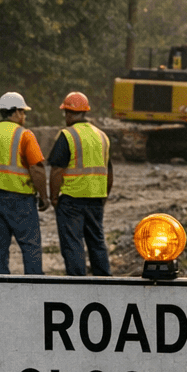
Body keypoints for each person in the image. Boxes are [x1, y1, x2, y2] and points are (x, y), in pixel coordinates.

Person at [0, 92, 50, 274]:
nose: (24, 116)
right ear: (15, 112)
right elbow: (37, 168)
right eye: (23, 112)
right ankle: (34, 287)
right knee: (30, 246)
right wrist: (44, 197)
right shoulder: (24, 135)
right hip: (20, 199)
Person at [47, 90, 113, 276]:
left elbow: (57, 170)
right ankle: (105, 282)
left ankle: (77, 285)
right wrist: (104, 197)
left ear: (68, 113)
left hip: (71, 200)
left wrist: (53, 198)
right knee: (97, 243)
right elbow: (109, 172)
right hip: (96, 199)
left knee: (73, 244)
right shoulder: (102, 136)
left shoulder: (67, 135)